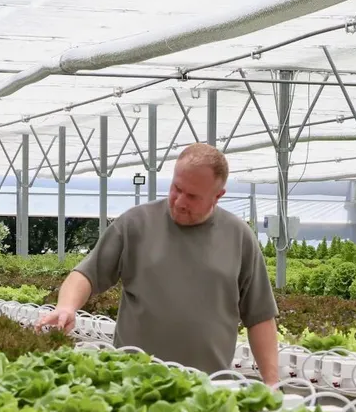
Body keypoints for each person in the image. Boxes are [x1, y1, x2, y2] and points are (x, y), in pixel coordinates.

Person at [35, 142, 281, 385]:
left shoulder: (238, 236)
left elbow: (259, 316)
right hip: (132, 382)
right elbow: (86, 274)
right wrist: (66, 306)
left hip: (208, 388)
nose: (180, 201)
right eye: (177, 188)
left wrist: (272, 383)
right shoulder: (136, 224)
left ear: (218, 196)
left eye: (193, 196)